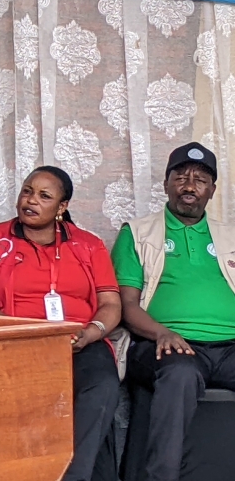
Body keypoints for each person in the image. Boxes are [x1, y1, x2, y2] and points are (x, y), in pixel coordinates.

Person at [0, 166, 121, 481]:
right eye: (27, 191)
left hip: (77, 342)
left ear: (62, 207)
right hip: (14, 342)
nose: (30, 200)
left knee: (102, 384)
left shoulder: (88, 245)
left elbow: (110, 304)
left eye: (44, 196)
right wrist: (22, 332)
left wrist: (91, 333)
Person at [112, 142, 235, 481]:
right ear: (166, 184)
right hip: (163, 345)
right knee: (179, 375)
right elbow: (126, 306)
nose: (189, 185)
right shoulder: (137, 233)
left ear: (211, 190)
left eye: (199, 179)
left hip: (229, 347)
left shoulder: (230, 236)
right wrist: (161, 332)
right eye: (180, 176)